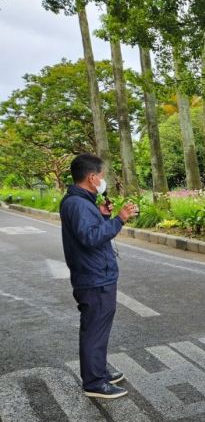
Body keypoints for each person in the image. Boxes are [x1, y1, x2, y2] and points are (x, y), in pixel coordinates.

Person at [60, 153, 138, 399]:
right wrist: (119, 219)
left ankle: (99, 371)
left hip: (94, 274)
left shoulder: (80, 202)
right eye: (102, 176)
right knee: (95, 329)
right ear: (92, 177)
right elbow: (91, 238)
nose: (103, 181)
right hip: (94, 277)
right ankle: (94, 382)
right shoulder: (78, 204)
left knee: (98, 328)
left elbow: (90, 230)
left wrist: (103, 215)